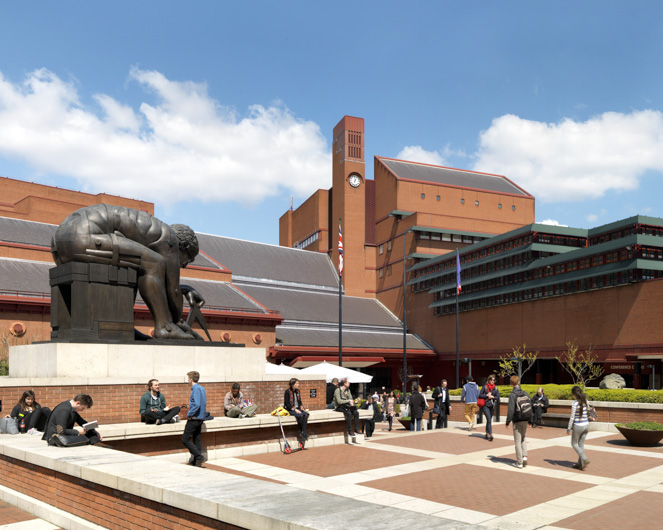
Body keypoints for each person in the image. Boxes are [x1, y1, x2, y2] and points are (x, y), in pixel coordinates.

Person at [51, 204, 202, 340]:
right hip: (84, 237)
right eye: (187, 261)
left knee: (139, 263)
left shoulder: (155, 232)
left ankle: (125, 327)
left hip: (60, 240)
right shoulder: (170, 239)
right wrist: (178, 321)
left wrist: (185, 289)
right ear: (184, 245)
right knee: (154, 263)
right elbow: (172, 288)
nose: (183, 266)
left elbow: (159, 284)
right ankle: (164, 327)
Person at [182, 371, 213, 466]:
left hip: (194, 418)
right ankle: (197, 461)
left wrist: (189, 414)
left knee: (185, 439)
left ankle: (199, 456)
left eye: (188, 379)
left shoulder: (195, 389)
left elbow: (197, 404)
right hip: (200, 418)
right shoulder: (202, 388)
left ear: (191, 379)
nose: (187, 381)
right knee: (196, 439)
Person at [505, 375, 529, 469]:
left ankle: (519, 462)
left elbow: (510, 410)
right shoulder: (525, 393)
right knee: (523, 438)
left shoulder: (512, 395)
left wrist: (508, 422)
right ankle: (525, 457)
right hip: (525, 419)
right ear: (518, 382)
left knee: (517, 441)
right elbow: (529, 406)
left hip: (517, 420)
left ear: (511, 384)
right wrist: (530, 420)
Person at [567, 385, 590, 470]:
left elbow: (572, 417)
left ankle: (584, 458)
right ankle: (580, 464)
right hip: (586, 425)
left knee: (574, 444)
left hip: (578, 426)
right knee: (581, 444)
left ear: (574, 394)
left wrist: (569, 428)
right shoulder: (586, 401)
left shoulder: (574, 403)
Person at [479, 375, 499, 441]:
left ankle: (487, 433)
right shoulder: (485, 387)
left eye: (494, 380)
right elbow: (480, 395)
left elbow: (497, 397)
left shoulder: (495, 388)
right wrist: (487, 395)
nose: (492, 381)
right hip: (485, 406)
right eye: (491, 380)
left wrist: (492, 397)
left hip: (492, 406)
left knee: (489, 420)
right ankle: (490, 434)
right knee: (489, 420)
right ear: (488, 380)